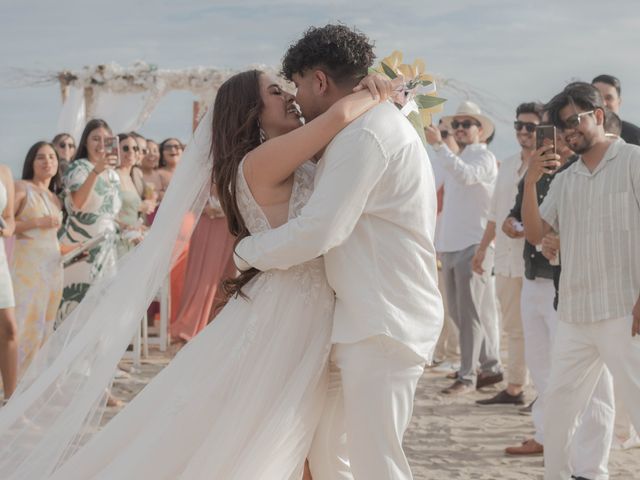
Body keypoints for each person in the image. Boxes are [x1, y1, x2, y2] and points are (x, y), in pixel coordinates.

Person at [0, 57, 394, 477]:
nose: (291, 98)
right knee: (281, 430)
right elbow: (341, 114)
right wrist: (385, 87)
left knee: (295, 432)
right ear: (252, 113)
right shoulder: (263, 159)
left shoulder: (284, 155)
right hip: (290, 310)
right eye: (275, 93)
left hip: (300, 302)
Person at [235, 25, 442, 480]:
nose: (296, 99)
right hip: (360, 321)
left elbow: (319, 231)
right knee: (331, 458)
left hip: (385, 320)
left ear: (320, 81)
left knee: (376, 463)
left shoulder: (368, 133)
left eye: (298, 86)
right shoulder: (363, 127)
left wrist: (246, 253)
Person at [521, 82, 638, 480]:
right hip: (573, 314)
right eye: (561, 127)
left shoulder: (634, 161)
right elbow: (536, 234)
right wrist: (533, 181)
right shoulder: (566, 179)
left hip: (626, 310)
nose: (569, 132)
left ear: (599, 115)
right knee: (556, 413)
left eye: (574, 121)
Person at [425, 101, 502, 395]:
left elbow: (466, 176)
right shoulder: (458, 158)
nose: (459, 129)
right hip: (452, 244)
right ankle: (490, 365)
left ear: (480, 130)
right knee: (459, 313)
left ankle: (469, 375)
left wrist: (440, 146)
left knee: (469, 315)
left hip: (474, 242)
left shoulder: (483, 158)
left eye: (466, 124)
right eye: (456, 125)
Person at [474, 102, 544, 406]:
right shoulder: (505, 165)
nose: (523, 132)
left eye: (530, 126)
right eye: (519, 125)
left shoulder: (549, 166)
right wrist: (480, 250)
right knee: (513, 328)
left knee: (538, 331)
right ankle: (515, 387)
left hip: (536, 261)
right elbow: (494, 214)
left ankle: (537, 392)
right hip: (502, 257)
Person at [56, 119, 123, 324]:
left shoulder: (114, 175)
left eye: (106, 139)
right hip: (82, 244)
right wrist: (96, 171)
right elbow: (77, 204)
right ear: (85, 142)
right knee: (77, 304)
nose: (101, 143)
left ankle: (95, 355)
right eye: (95, 138)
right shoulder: (78, 167)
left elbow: (111, 212)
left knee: (102, 305)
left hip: (107, 247)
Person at [11, 142, 67, 375]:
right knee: (24, 323)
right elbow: (6, 225)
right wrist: (36, 222)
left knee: (44, 327)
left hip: (53, 269)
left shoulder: (55, 198)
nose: (47, 162)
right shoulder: (22, 188)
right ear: (31, 163)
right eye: (41, 158)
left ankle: (28, 384)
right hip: (28, 269)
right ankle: (10, 383)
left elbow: (50, 240)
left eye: (52, 157)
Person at [169, 192, 236, 344]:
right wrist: (204, 208)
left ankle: (216, 327)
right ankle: (188, 326)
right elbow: (189, 194)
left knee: (224, 276)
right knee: (200, 275)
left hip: (228, 222)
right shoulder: (204, 169)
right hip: (205, 220)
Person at [115, 133, 155, 256]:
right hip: (119, 239)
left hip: (134, 238)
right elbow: (107, 213)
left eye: (135, 148)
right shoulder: (112, 175)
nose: (131, 152)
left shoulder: (132, 176)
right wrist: (127, 229)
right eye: (126, 148)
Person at [0, 164, 16, 402]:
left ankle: (13, 402)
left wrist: (6, 229)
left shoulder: (4, 171)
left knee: (9, 329)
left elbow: (10, 218)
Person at [591, 74, 640, 145]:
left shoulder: (635, 136)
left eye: (608, 98)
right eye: (598, 97)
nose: (603, 103)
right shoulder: (579, 135)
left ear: (619, 102)